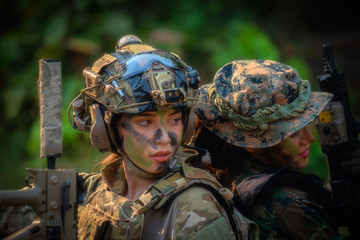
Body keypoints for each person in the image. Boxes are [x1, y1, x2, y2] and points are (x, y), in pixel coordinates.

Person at [68, 36, 259, 240]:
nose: (164, 139)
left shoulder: (195, 208)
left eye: (174, 119)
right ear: (108, 129)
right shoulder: (102, 187)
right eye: (145, 122)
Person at [191, 60, 347, 239]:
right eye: (294, 133)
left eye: (307, 124)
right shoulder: (289, 205)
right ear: (252, 144)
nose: (310, 139)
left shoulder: (220, 169)